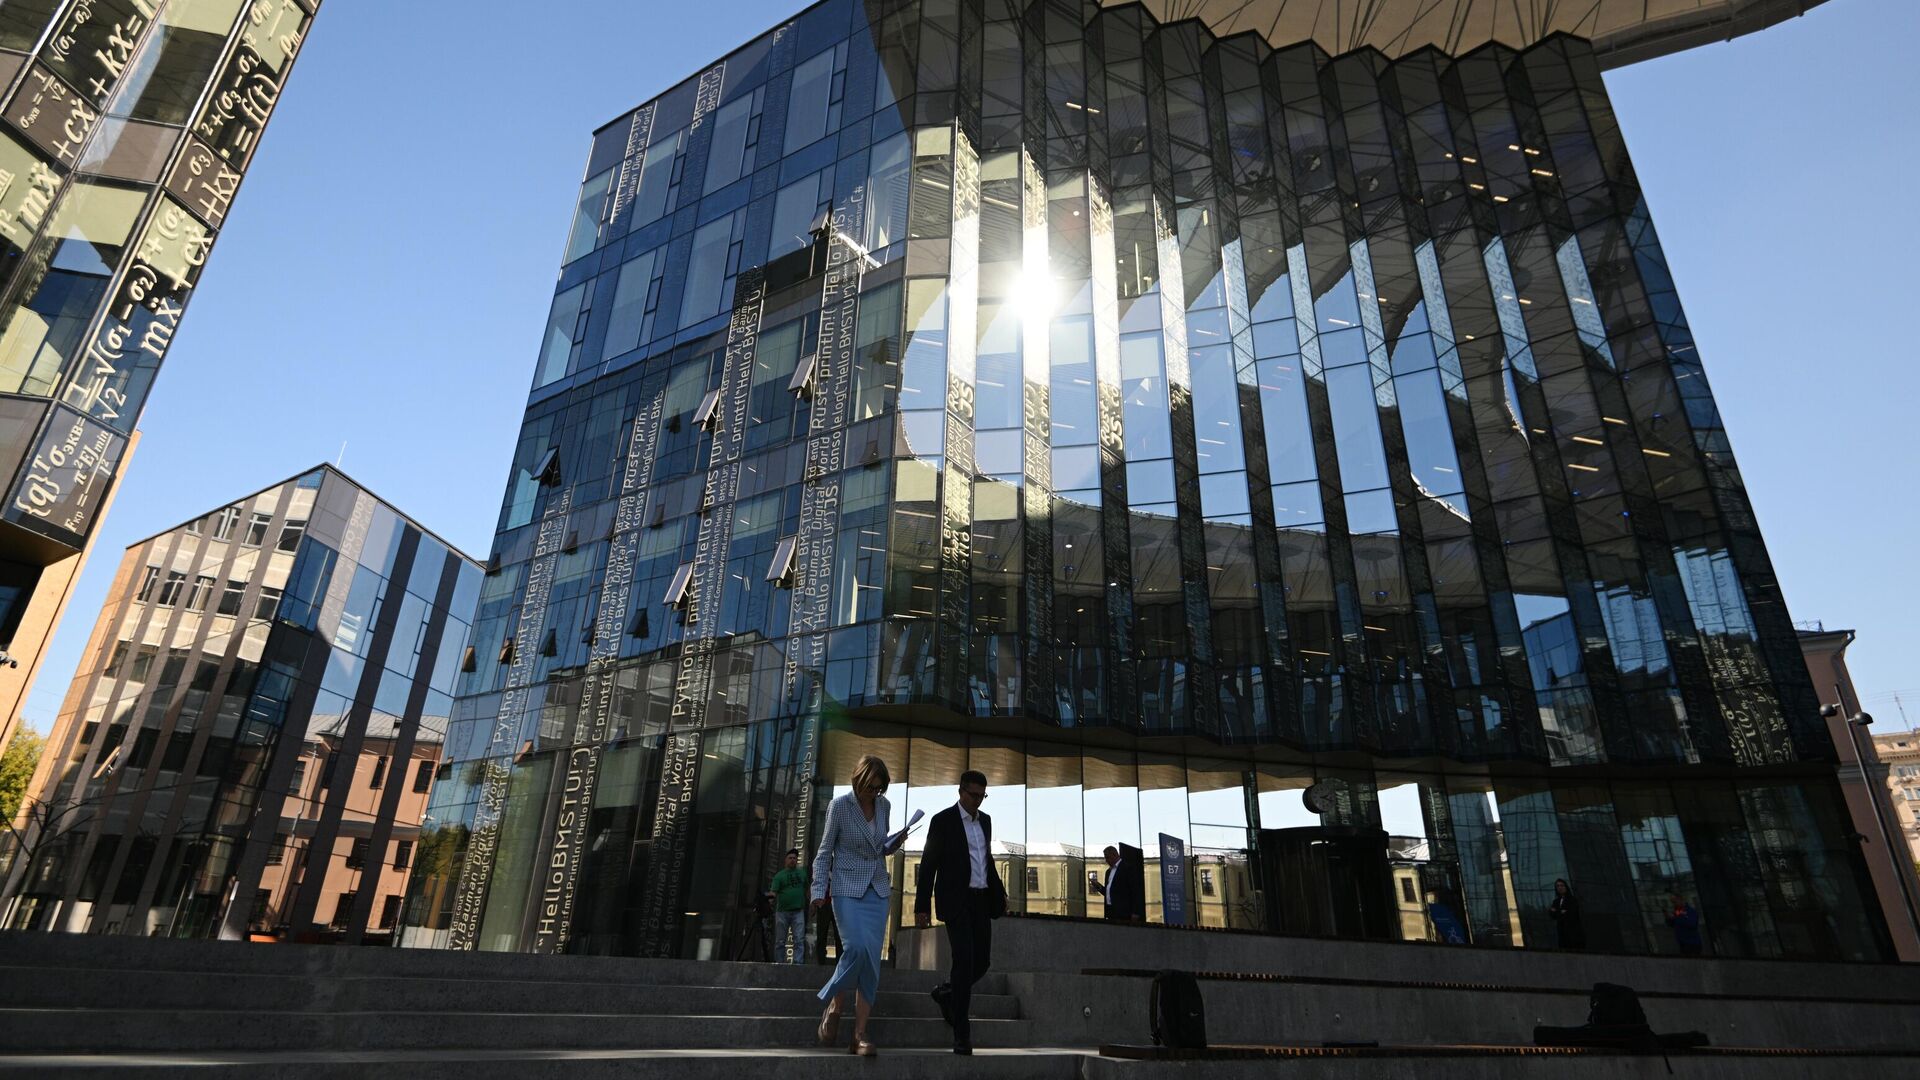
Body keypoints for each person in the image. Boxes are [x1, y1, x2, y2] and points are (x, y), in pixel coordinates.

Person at [810, 755, 905, 1056]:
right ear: (858, 780)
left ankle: (859, 1035)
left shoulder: (884, 806)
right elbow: (824, 851)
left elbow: (879, 848)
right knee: (857, 949)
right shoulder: (839, 806)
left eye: (880, 789)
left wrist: (893, 843)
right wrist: (817, 890)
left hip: (877, 889)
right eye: (871, 787)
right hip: (846, 889)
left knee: (871, 962)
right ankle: (835, 1003)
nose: (875, 793)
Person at [915, 770, 1005, 1056]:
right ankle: (961, 1035)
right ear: (961, 791)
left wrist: (999, 892)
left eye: (982, 796)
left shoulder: (985, 821)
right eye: (973, 795)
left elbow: (985, 859)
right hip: (956, 901)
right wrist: (921, 905)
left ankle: (947, 993)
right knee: (964, 962)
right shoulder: (942, 821)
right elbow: (928, 864)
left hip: (981, 900)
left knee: (982, 962)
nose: (977, 801)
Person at [767, 848, 809, 964]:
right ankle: (779, 963)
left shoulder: (802, 873)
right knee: (780, 941)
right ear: (786, 860)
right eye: (790, 858)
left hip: (798, 911)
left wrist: (812, 904)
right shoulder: (779, 876)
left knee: (799, 940)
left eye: (795, 858)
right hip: (782, 912)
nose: (792, 860)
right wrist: (768, 902)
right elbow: (773, 893)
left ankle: (797, 964)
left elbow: (807, 889)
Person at [1100, 845, 1143, 922]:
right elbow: (1110, 892)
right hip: (1110, 911)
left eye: (1107, 857)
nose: (1106, 860)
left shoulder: (1127, 868)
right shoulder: (1108, 872)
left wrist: (1136, 912)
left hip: (1124, 913)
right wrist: (1098, 887)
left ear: (1115, 855)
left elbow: (1135, 891)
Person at [1548, 878, 1585, 950]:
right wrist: (1561, 912)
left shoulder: (1572, 900)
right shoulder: (1556, 901)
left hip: (1573, 933)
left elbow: (1571, 914)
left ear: (1566, 887)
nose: (1560, 888)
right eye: (1558, 886)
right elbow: (1552, 914)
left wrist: (1557, 911)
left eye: (1562, 885)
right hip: (1562, 933)